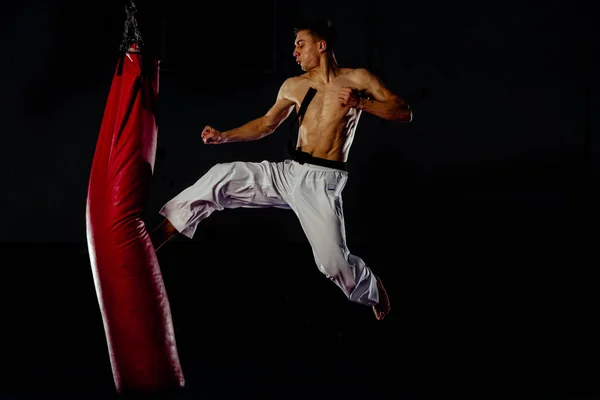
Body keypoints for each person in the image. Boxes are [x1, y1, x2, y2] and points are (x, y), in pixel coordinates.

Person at [150, 19, 412, 320]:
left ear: (321, 45)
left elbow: (403, 111)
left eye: (301, 44)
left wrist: (361, 102)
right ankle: (161, 234)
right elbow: (265, 125)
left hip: (322, 183)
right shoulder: (294, 86)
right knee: (222, 175)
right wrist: (224, 136)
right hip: (289, 174)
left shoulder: (358, 78)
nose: (295, 52)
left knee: (333, 265)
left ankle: (372, 289)